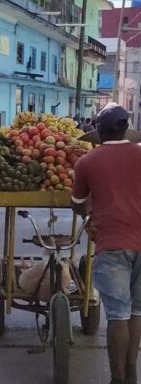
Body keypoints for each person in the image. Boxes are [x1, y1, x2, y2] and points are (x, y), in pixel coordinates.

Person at [72, 103, 141, 384]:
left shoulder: (87, 162)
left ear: (99, 132)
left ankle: (117, 378)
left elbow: (77, 203)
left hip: (112, 244)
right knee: (137, 310)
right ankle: (132, 373)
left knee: (118, 314)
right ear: (126, 128)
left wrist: (91, 211)